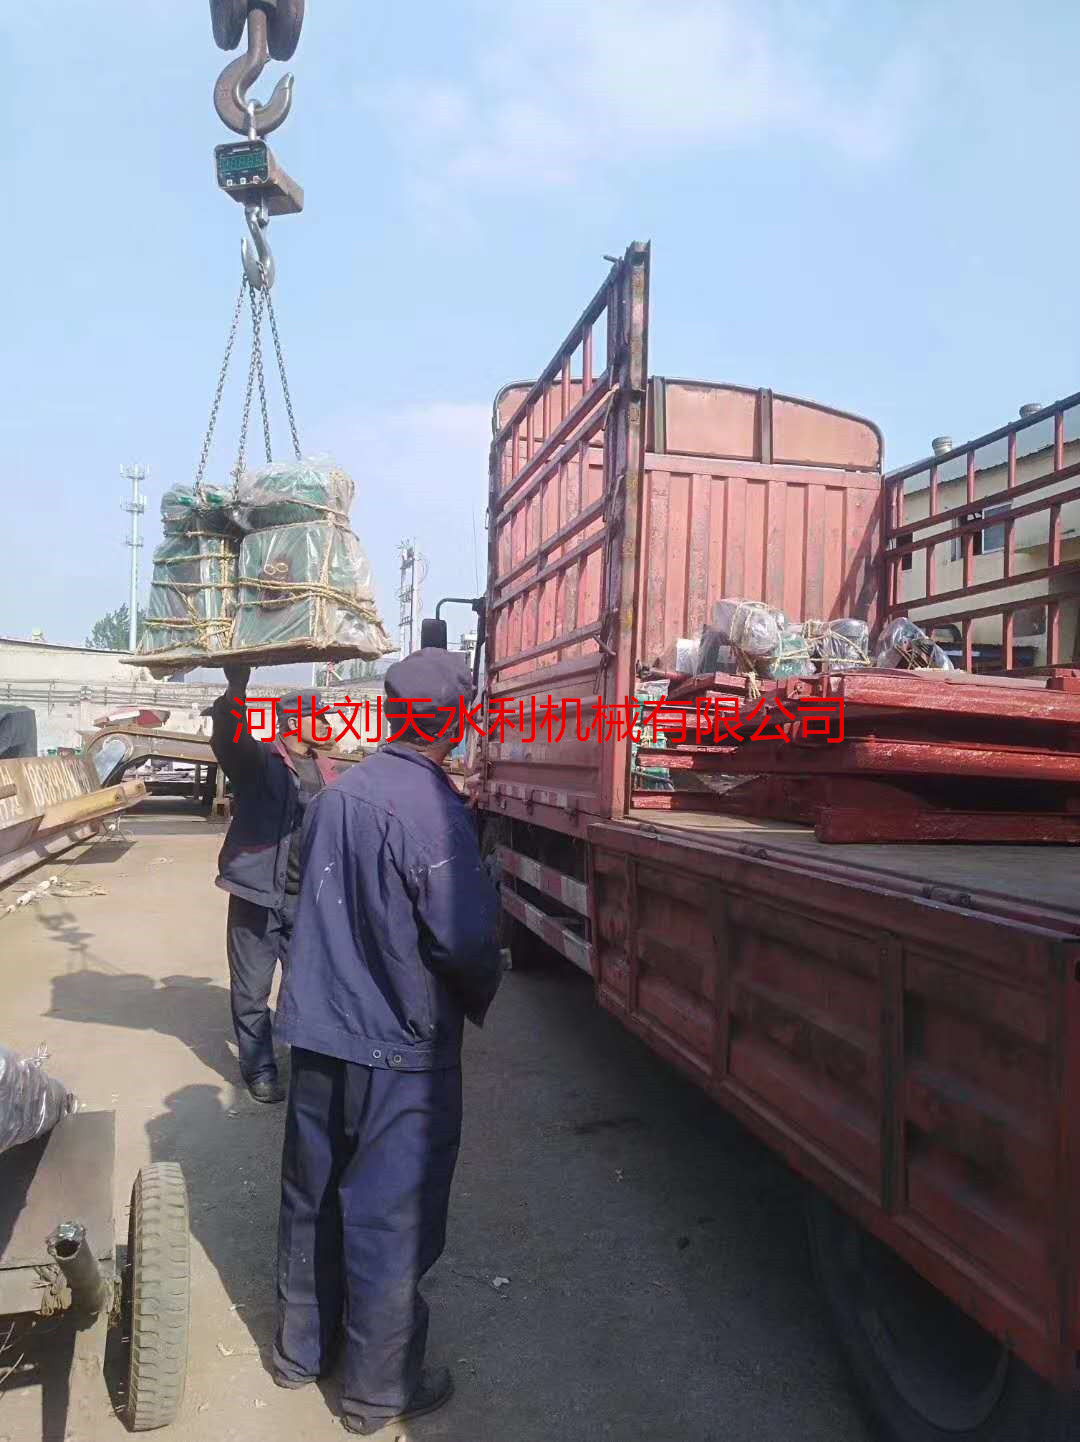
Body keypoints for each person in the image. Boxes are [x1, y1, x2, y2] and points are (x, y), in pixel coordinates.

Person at [272, 648, 503, 1436]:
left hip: (319, 1035)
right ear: (454, 723)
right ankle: (376, 1393)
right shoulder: (433, 813)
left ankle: (300, 1353)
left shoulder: (336, 794)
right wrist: (476, 993)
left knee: (310, 1198)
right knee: (387, 1218)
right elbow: (464, 941)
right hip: (400, 1051)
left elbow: (293, 900)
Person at [210, 665, 341, 1104]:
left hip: (306, 899)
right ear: (294, 722)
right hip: (258, 894)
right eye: (319, 717)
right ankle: (260, 1068)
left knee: (306, 985)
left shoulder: (327, 770)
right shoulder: (259, 764)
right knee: (252, 989)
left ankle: (302, 1059)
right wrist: (236, 689)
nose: (327, 723)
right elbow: (229, 740)